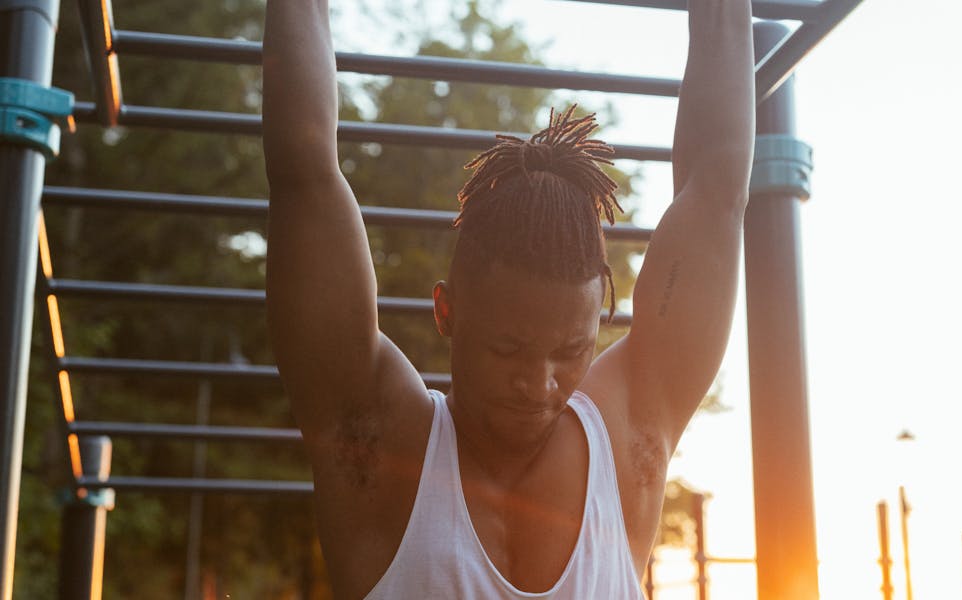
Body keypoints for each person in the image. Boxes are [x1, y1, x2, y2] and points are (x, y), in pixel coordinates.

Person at [262, 1, 753, 598]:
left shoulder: (632, 441)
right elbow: (303, 170)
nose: (540, 382)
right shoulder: (378, 445)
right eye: (509, 349)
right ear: (446, 313)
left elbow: (716, 191)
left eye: (570, 350)